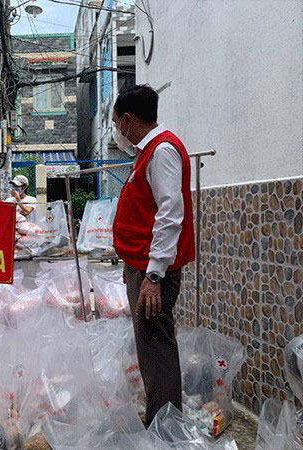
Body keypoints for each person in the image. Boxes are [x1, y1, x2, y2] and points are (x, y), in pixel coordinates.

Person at [111, 85, 195, 427]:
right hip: (143, 267)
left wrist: (153, 275)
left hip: (153, 273)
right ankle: (160, 420)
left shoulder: (162, 151)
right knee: (150, 352)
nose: (117, 131)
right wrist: (133, 266)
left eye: (117, 123)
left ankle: (166, 430)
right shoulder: (147, 153)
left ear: (129, 120)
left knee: (156, 351)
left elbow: (169, 214)